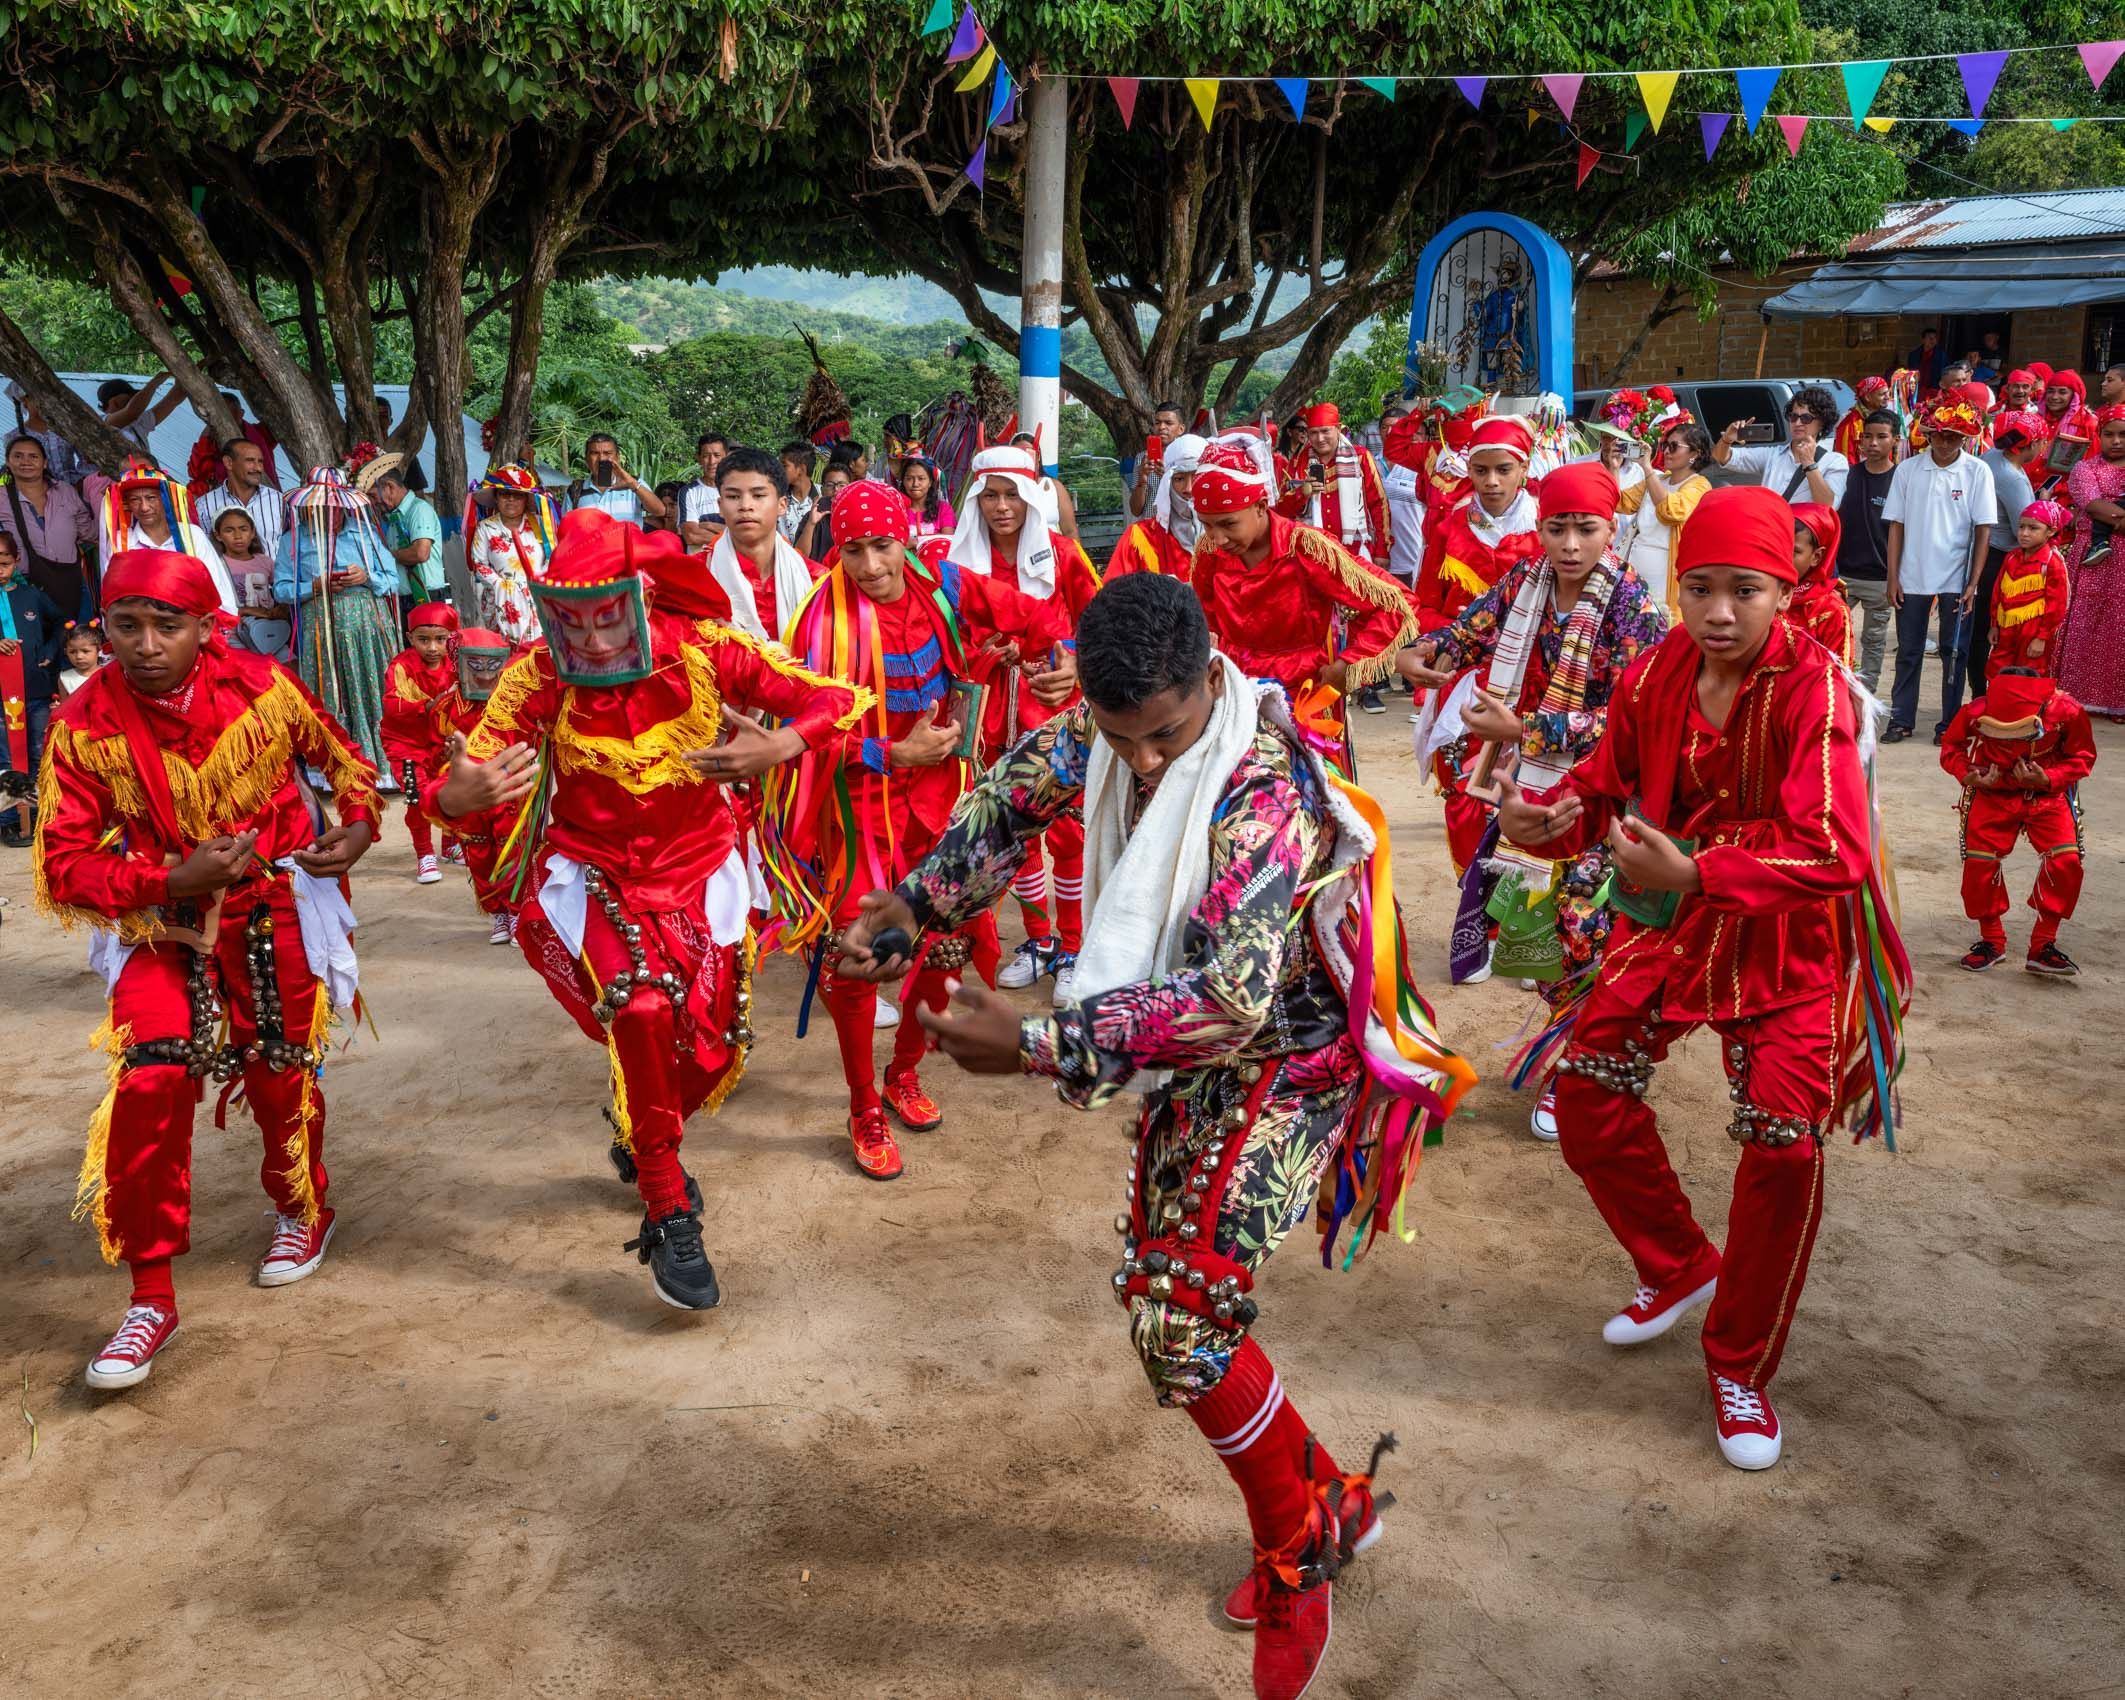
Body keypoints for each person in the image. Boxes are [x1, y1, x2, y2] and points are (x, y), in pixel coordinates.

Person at [833, 568, 1473, 1700]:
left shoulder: (1261, 780)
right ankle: (1332, 1502)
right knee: (1165, 1301)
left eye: (1162, 735)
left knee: (1181, 1325)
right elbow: (1008, 798)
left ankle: (1297, 1559)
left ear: (1207, 679)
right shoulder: (1101, 726)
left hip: (1287, 1059)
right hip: (1188, 1058)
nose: (1138, 762)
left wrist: (1035, 1041)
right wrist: (914, 907)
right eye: (1115, 735)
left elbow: (1229, 995)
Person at [1492, 483, 1909, 1472]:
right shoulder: (1654, 672)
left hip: (1787, 942)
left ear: (1784, 589)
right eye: (1699, 589)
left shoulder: (1811, 687)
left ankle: (1739, 1363)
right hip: (1673, 929)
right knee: (1588, 1097)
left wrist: (1700, 870)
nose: (1718, 612)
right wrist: (1553, 823)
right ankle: (1678, 1260)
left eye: (1744, 591)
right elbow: (1609, 791)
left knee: (1782, 1144)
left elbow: (1836, 850)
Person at [423, 509, 865, 1311]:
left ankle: (642, 1129)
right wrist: (455, 794)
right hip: (592, 873)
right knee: (642, 1007)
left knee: (709, 1049)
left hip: (701, 873)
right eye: (572, 622)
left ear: (642, 598)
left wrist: (781, 744)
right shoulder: (538, 672)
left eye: (607, 619)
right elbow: (465, 775)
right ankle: (667, 1205)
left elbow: (835, 697)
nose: (591, 643)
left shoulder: (703, 648)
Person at [34, 546, 379, 1391]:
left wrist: (360, 825)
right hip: (160, 924)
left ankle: (302, 1208)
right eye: (126, 626)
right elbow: (61, 867)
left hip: (273, 908)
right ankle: (151, 1294)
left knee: (279, 1072)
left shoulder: (264, 686)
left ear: (206, 626)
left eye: (167, 625)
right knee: (149, 1078)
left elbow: (347, 764)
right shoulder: (84, 725)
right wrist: (166, 880)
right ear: (102, 626)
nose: (146, 645)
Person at [773, 482, 1072, 1179]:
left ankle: (903, 1073)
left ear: (906, 539)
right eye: (853, 551)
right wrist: (890, 752)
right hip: (858, 810)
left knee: (946, 950)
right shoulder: (818, 624)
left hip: (942, 805)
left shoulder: (942, 582)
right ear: (834, 550)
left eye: (882, 547)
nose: (871, 566)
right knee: (860, 957)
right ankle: (861, 1107)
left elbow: (1037, 615)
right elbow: (800, 735)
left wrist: (1057, 662)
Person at [1399, 461, 1667, 1062]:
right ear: (1540, 528)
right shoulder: (1528, 579)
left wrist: (1523, 727)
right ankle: (1572, 1049)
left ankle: (1582, 1058)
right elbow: (1469, 632)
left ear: (1612, 529)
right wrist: (1419, 651)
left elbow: (1635, 722)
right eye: (1556, 528)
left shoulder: (1634, 607)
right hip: (1537, 783)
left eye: (1586, 529)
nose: (1570, 546)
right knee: (1545, 921)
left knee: (1586, 920)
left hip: (1607, 789)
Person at [927, 446, 1103, 997]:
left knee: (1069, 834)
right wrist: (989, 655)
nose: (1001, 507)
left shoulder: (1065, 555)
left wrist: (1073, 666)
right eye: (989, 496)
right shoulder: (957, 567)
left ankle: (1073, 947)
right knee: (1015, 832)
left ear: (1030, 497)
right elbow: (950, 644)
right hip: (992, 720)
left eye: (1011, 495)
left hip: (1056, 710)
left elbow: (1097, 625)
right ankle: (1038, 939)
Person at [1188, 435, 1417, 775]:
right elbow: (1205, 622)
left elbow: (1394, 601)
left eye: (1228, 524)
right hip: (1235, 698)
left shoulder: (1307, 548)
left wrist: (1348, 663)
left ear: (1261, 507)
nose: (1217, 537)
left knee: (1313, 796)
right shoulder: (1209, 553)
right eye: (1207, 524)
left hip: (1305, 698)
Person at [1940, 667, 2094, 977]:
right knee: (1979, 865)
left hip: (2047, 797)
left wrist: (2049, 777)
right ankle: (1992, 940)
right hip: (1991, 793)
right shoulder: (1976, 710)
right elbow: (1951, 747)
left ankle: (2043, 945)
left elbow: (2083, 756)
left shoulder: (2066, 710)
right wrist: (1968, 775)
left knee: (2066, 861)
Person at [1883, 397, 1997, 743]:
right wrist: (1892, 577)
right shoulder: (1907, 469)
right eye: (1940, 436)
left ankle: (1949, 723)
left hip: (1957, 576)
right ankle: (1901, 719)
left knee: (1955, 652)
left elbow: (1983, 530)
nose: (1946, 443)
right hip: (1912, 575)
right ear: (1928, 434)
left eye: (1954, 437)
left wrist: (1974, 582)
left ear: (1965, 439)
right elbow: (1896, 525)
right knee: (1909, 650)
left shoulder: (1977, 471)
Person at [274, 467, 402, 773]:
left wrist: (366, 576)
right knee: (330, 690)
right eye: (322, 508)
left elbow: (393, 581)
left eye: (335, 508)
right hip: (321, 629)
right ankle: (337, 767)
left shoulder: (365, 534)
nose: (330, 513)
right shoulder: (293, 540)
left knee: (372, 688)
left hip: (367, 627)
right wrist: (314, 587)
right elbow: (280, 590)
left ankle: (382, 764)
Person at [427, 624, 519, 944]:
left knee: (514, 849)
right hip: (471, 798)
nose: (484, 675)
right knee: (479, 851)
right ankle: (498, 913)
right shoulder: (447, 708)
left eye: (492, 665)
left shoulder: (514, 699)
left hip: (509, 791)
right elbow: (434, 751)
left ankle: (518, 910)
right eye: (475, 665)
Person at [1970, 409, 2051, 697]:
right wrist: (2043, 506)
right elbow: (2028, 527)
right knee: (1997, 631)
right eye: (2041, 441)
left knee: (1979, 629)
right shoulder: (2012, 478)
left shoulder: (1990, 458)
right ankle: (1994, 692)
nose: (2044, 447)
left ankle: (1981, 691)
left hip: (1984, 550)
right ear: (2028, 445)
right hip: (2002, 558)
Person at [381, 601, 460, 885]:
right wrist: (430, 705)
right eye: (423, 640)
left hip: (444, 741)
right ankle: (424, 854)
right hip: (406, 743)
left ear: (453, 637)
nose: (432, 648)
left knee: (452, 789)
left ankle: (450, 845)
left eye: (441, 639)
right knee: (418, 796)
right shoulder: (401, 666)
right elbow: (393, 705)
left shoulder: (458, 663)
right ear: (410, 637)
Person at [2054, 405, 2125, 718]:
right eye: (2109, 434)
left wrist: (2111, 515)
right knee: (2087, 624)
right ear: (2098, 436)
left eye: (2123, 435)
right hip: (2094, 558)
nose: (2117, 441)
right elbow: (2094, 507)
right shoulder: (2085, 469)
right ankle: (2078, 696)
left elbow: (2103, 510)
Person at [706, 446, 815, 645]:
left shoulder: (814, 579)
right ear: (720, 507)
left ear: (782, 505)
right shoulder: (698, 577)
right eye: (733, 496)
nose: (745, 505)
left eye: (758, 495)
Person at [97, 466, 238, 617]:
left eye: (151, 498)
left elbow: (218, 588)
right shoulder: (120, 542)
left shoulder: (192, 535)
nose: (144, 507)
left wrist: (222, 626)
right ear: (128, 505)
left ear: (165, 499)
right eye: (135, 499)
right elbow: (111, 596)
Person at [0, 530, 63, 846]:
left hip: (35, 691)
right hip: (1, 697)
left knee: (38, 752)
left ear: (16, 562)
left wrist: (50, 653)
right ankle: (10, 820)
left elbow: (59, 624)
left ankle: (41, 815)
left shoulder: (33, 596)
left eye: (4, 563)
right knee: (6, 755)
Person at [1277, 403, 1392, 568]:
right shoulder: (1297, 463)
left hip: (1353, 552)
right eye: (1314, 433)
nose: (1320, 438)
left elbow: (1379, 505)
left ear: (1338, 429)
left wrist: (1382, 551)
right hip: (1311, 554)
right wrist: (1302, 493)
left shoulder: (1360, 458)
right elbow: (1281, 511)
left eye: (1325, 431)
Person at [1616, 420, 1713, 612]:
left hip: (1666, 575)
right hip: (1635, 566)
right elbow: (1620, 502)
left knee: (1661, 629)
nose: (1667, 451)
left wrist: (1647, 468)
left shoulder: (1700, 485)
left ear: (1695, 454)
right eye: (1664, 445)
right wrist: (1613, 466)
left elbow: (1670, 512)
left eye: (1674, 446)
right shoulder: (1659, 479)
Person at [1836, 410, 1901, 695]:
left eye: (1881, 437)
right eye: (1867, 436)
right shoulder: (1846, 476)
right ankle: (1834, 690)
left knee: (1874, 641)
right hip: (1842, 577)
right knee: (1834, 636)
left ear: (1895, 441)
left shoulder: (1901, 480)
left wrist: (1895, 578)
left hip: (1881, 579)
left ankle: (1865, 696)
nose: (1873, 443)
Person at [2, 432, 96, 619]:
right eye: (18, 456)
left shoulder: (65, 491)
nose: (25, 462)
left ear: (44, 462)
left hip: (71, 583)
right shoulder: (1, 497)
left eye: (33, 456)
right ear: (8, 462)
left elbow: (90, 533)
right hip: (21, 585)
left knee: (78, 643)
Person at [1709, 386, 1848, 507]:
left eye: (1806, 418)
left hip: (1800, 534)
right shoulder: (1773, 454)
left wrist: (1809, 464)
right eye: (1793, 417)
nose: (1797, 423)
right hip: (1771, 531)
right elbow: (1722, 457)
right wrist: (1727, 439)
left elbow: (1828, 505)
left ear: (1822, 423)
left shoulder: (1835, 461)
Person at [465, 463, 556, 646]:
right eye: (505, 494)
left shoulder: (540, 525)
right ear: (496, 498)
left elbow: (553, 555)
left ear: (525, 499)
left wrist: (538, 580)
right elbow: (479, 563)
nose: (511, 500)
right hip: (499, 599)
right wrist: (503, 586)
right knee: (505, 654)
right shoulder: (486, 528)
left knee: (539, 653)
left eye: (517, 495)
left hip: (537, 596)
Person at [1984, 499, 2072, 679]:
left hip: (2033, 632)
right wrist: (1994, 625)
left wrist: (2042, 638)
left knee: (2030, 675)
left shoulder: (2052, 562)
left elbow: (2057, 605)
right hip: (2006, 628)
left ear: (2051, 531)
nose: (2024, 533)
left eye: (2033, 528)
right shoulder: (2011, 557)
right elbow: (1998, 593)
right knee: (1997, 671)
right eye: (2021, 527)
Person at [1106, 432, 1206, 578]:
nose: (1188, 489)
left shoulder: (1230, 536)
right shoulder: (1140, 537)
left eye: (1196, 476)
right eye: (1179, 479)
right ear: (1168, 483)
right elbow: (1114, 593)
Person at [209, 507, 290, 663]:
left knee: (289, 669)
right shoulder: (216, 565)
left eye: (243, 529)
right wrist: (249, 611)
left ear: (252, 532)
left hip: (269, 630)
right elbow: (215, 606)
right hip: (235, 635)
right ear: (218, 536)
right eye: (229, 531)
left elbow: (282, 589)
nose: (238, 536)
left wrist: (282, 609)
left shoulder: (265, 562)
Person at [194, 437, 288, 562]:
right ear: (228, 463)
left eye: (260, 462)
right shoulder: (204, 506)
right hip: (226, 580)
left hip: (275, 580)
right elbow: (201, 552)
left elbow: (294, 546)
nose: (258, 468)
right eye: (250, 461)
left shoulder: (280, 501)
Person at [364, 457, 445, 600]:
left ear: (390, 487)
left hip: (426, 597)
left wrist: (386, 556)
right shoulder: (393, 518)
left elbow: (420, 553)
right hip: (405, 599)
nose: (372, 502)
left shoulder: (419, 510)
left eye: (372, 495)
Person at [184, 394, 280, 498]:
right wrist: (206, 434)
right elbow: (196, 472)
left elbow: (280, 419)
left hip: (268, 501)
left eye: (230, 413)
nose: (225, 419)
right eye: (220, 414)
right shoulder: (211, 443)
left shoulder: (260, 434)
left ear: (241, 413)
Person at [1789, 504, 1852, 663]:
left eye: (1794, 552)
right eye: (1777, 546)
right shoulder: (1760, 594)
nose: (1782, 556)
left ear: (1816, 557)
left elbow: (1840, 674)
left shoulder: (1831, 609)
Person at [570, 433, 667, 526]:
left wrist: (633, 484)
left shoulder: (634, 484)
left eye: (607, 453)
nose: (601, 458)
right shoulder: (576, 491)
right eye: (595, 453)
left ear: (617, 458)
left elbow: (660, 511)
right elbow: (567, 529)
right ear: (586, 458)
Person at [6, 383, 88, 485]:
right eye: (39, 398)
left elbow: (87, 461)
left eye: (50, 399)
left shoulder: (69, 430)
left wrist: (80, 482)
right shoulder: (14, 437)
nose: (46, 404)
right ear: (25, 401)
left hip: (74, 493)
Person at [1009, 430, 1081, 540]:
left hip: (1054, 553)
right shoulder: (1004, 488)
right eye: (1018, 455)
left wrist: (1075, 556)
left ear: (1038, 456)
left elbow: (1070, 531)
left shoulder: (1055, 487)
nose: (1024, 459)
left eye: (1029, 454)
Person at [1126, 401, 1189, 519]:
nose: (1162, 427)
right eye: (1157, 423)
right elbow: (1135, 510)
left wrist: (1168, 478)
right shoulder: (1142, 458)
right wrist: (1142, 480)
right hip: (1151, 531)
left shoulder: (1188, 457)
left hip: (1180, 530)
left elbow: (1192, 501)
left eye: (1168, 423)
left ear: (1181, 429)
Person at [97, 375, 183, 459]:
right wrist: (154, 383)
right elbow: (132, 412)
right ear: (114, 402)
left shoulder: (137, 421)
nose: (132, 401)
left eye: (133, 399)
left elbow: (172, 401)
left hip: (144, 472)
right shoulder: (101, 422)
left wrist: (183, 379)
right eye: (127, 400)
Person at [678, 432, 730, 550]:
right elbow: (692, 536)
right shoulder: (688, 492)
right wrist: (732, 535)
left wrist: (708, 525)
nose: (712, 462)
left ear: (726, 457)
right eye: (706, 455)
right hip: (700, 565)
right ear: (699, 458)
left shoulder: (737, 490)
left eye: (717, 455)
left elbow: (747, 532)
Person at [801, 463, 854, 566]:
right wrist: (811, 524)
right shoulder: (812, 516)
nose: (836, 490)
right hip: (818, 578)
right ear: (822, 490)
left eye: (842, 485)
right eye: (830, 485)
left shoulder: (858, 516)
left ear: (850, 488)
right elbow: (800, 557)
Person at [895, 455, 956, 541]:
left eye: (921, 478)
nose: (915, 484)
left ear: (930, 482)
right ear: (903, 481)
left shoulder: (943, 509)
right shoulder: (896, 509)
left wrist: (913, 543)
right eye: (909, 479)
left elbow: (946, 541)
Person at [373, 397, 428, 491]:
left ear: (391, 421)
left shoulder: (405, 454)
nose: (380, 421)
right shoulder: (360, 454)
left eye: (383, 416)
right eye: (375, 416)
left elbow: (418, 494)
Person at [1833, 376, 1893, 462]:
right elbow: (1846, 458)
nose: (1887, 397)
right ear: (1868, 397)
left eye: (1887, 393)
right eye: (1882, 394)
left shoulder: (1886, 416)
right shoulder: (1849, 422)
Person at [778, 441, 819, 544]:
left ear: (801, 469)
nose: (779, 470)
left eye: (784, 465)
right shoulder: (777, 497)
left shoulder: (822, 496)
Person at [57, 621, 103, 699]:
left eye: (85, 651)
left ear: (99, 650)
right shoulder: (65, 678)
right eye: (72, 652)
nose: (79, 656)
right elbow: (64, 706)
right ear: (66, 652)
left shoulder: (107, 675)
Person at [1906, 328, 1945, 397]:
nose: (1932, 340)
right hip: (1916, 389)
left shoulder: (1942, 356)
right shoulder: (1913, 355)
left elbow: (1943, 374)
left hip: (1933, 390)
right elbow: (1910, 373)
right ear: (1923, 340)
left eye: (1934, 338)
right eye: (1930, 338)